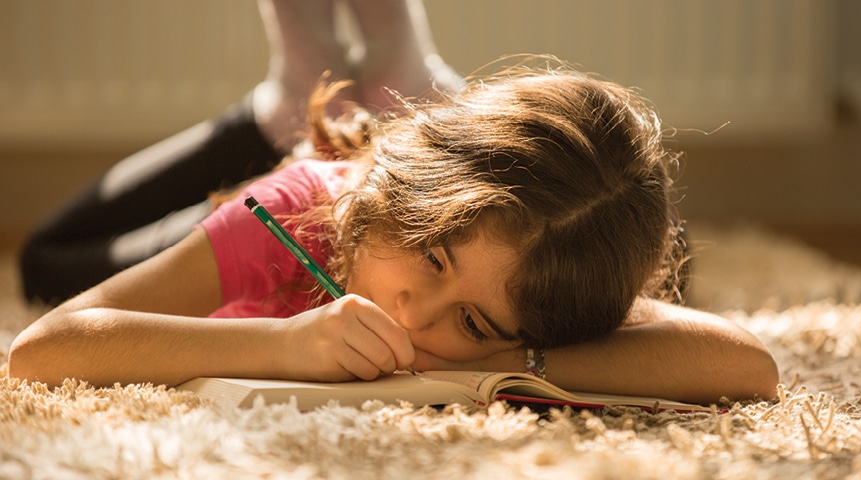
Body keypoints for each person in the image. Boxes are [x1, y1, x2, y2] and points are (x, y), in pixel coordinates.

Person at [8, 57, 779, 405]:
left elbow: (749, 367)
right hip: (296, 183)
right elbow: (45, 349)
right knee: (44, 262)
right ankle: (276, 103)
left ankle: (396, 75)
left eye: (473, 321)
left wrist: (516, 358)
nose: (414, 317)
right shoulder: (292, 215)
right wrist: (280, 345)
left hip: (397, 170)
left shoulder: (544, 269)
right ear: (408, 189)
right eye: (432, 258)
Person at [17, 0, 463, 306]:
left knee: (41, 262)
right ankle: (382, 83)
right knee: (41, 258)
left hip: (323, 193)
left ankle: (314, 98)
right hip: (377, 161)